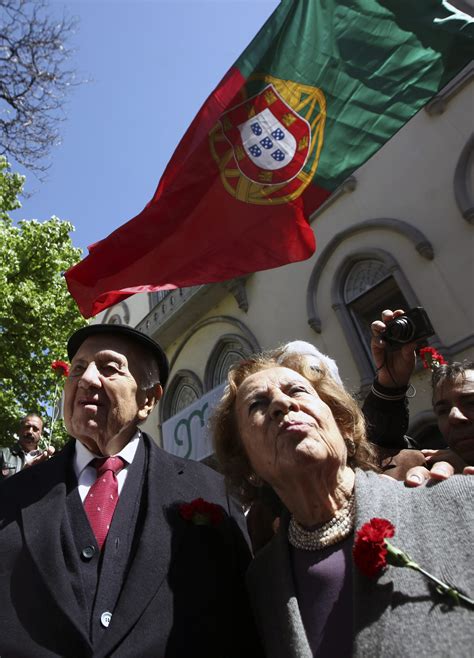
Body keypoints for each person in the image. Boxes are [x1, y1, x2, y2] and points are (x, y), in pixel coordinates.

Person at [0, 324, 260, 657]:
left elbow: (244, 622)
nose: (87, 379)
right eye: (77, 369)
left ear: (148, 400)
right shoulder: (11, 497)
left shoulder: (211, 491)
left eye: (109, 369)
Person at [212, 352, 473, 657]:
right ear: (248, 467)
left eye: (296, 391)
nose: (282, 404)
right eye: (257, 404)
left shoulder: (457, 499)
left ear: (343, 426)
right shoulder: (261, 583)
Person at [364, 308, 474, 484]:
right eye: (443, 410)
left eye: (471, 403)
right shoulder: (432, 470)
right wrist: (390, 383)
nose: (454, 416)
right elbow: (372, 445)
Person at [0, 413, 54, 480]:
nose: (30, 431)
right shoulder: (3, 454)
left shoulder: (47, 459)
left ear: (41, 434)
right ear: (20, 430)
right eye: (27, 427)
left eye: (35, 429)